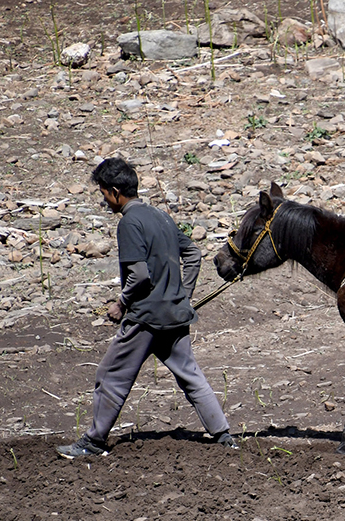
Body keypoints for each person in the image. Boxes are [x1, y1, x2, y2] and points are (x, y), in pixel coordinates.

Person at [56, 157, 238, 458]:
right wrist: (182, 295)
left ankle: (93, 441)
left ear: (115, 192)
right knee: (191, 377)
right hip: (175, 315)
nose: (104, 200)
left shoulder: (129, 222)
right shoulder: (161, 216)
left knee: (111, 374)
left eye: (103, 192)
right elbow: (192, 253)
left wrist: (121, 303)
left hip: (145, 318)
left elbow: (139, 276)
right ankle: (223, 436)